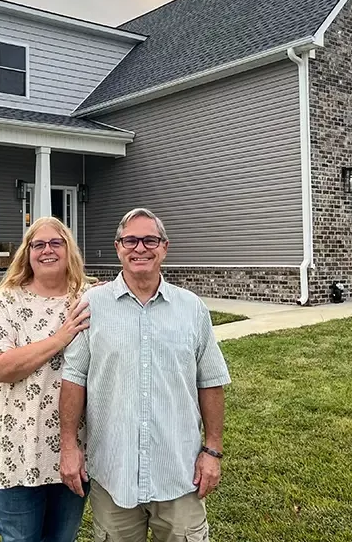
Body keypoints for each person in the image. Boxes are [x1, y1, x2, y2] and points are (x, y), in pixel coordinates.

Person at [58, 208, 231, 542]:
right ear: (118, 247)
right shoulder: (93, 304)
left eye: (149, 240)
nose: (140, 248)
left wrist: (212, 450)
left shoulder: (191, 308)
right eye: (131, 240)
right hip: (113, 474)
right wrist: (69, 446)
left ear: (164, 247)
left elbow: (210, 381)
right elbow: (73, 377)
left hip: (180, 474)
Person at [0, 216, 93, 542]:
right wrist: (60, 338)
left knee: (62, 536)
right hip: (17, 443)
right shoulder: (8, 300)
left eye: (56, 243)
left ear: (69, 249)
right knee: (21, 536)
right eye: (37, 244)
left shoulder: (87, 299)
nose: (47, 250)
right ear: (27, 254)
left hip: (73, 444)